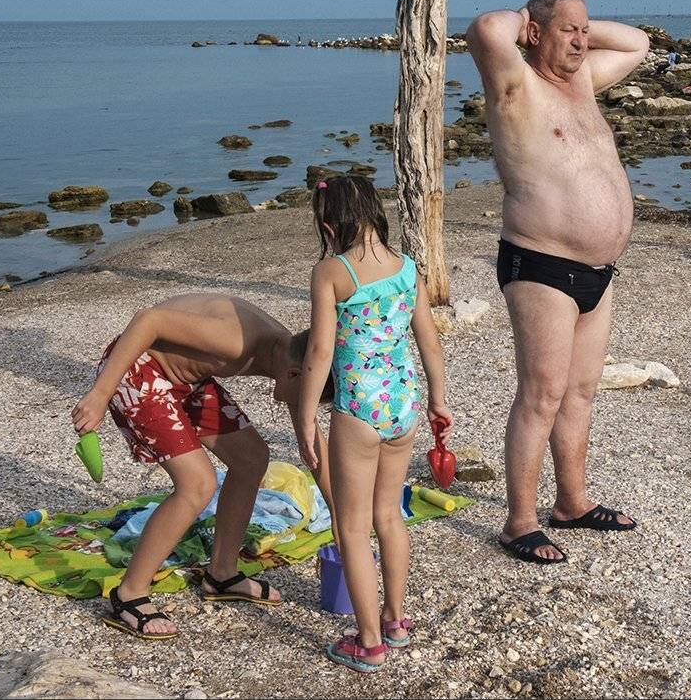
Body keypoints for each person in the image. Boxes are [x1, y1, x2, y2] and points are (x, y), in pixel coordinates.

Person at [466, 0, 649, 565]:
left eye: (585, 29)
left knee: (580, 392)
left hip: (599, 269)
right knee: (541, 395)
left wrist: (574, 26)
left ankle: (571, 503)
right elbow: (483, 30)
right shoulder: (516, 85)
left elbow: (639, 43)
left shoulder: (583, 83)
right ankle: (519, 520)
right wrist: (526, 20)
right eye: (568, 30)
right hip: (542, 262)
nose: (582, 39)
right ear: (535, 33)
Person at [71, 296, 333, 639]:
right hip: (138, 371)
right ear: (296, 374)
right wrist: (100, 394)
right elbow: (148, 320)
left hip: (188, 382)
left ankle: (222, 572)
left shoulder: (293, 353)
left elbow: (313, 448)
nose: (305, 408)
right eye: (309, 397)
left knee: (252, 458)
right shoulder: (238, 339)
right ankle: (129, 593)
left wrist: (344, 524)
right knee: (198, 484)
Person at [293, 175, 451, 672]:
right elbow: (429, 341)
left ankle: (367, 641)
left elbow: (319, 351)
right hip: (403, 404)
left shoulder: (331, 272)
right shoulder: (407, 267)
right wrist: (438, 401)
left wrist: (303, 415)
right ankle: (395, 620)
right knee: (390, 515)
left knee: (352, 525)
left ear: (327, 223)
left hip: (359, 409)